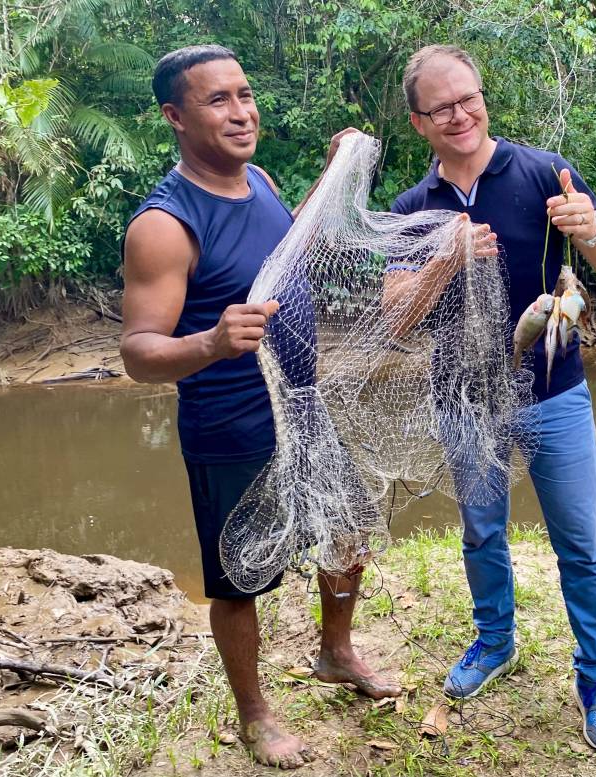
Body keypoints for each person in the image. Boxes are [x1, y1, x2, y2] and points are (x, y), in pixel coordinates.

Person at [120, 44, 399, 770]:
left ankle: (335, 652)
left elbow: (287, 248)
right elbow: (138, 352)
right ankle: (255, 715)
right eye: (218, 100)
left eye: (244, 95)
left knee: (347, 531)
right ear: (175, 117)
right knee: (238, 579)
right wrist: (212, 341)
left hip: (302, 408)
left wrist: (332, 178)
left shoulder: (261, 182)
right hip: (230, 425)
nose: (241, 112)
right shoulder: (165, 224)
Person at [384, 44, 596, 752]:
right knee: (482, 532)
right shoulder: (412, 208)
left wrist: (594, 229)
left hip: (555, 394)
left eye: (468, 98)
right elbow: (397, 318)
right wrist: (446, 258)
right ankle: (495, 640)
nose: (459, 114)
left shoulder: (543, 172)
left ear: (482, 97)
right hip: (464, 402)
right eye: (440, 107)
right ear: (419, 122)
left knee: (581, 543)